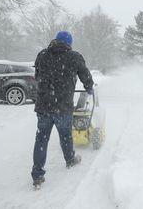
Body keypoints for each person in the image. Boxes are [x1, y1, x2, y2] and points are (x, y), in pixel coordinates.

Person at [31, 31, 94, 187]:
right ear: (69, 43)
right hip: (63, 106)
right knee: (65, 135)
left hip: (44, 106)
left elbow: (37, 76)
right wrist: (89, 87)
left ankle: (37, 174)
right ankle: (70, 159)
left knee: (41, 140)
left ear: (56, 40)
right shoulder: (74, 56)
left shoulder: (42, 55)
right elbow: (85, 75)